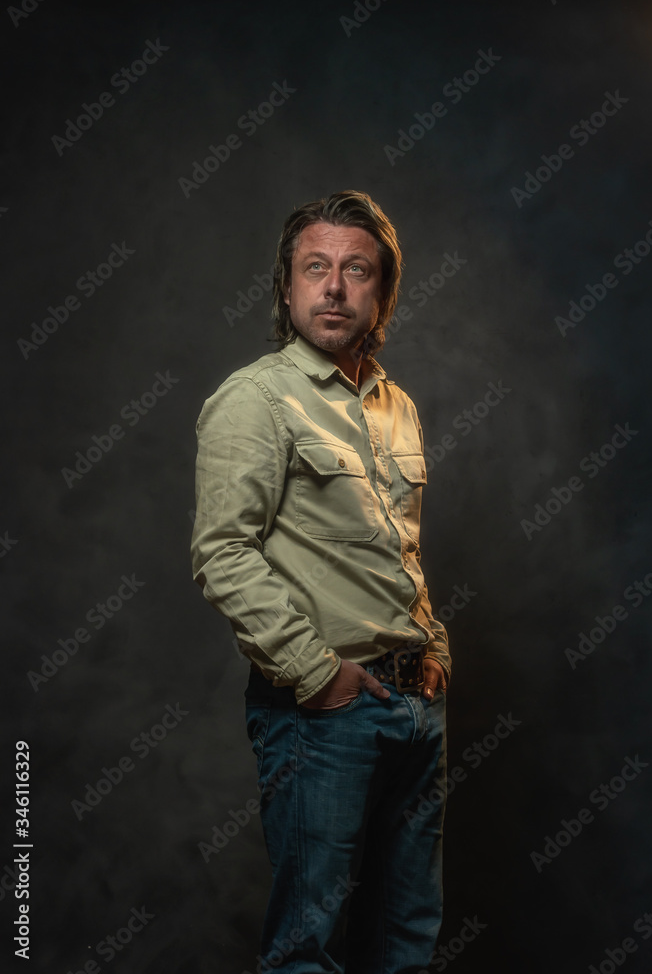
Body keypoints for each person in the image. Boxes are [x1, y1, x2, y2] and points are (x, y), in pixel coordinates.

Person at [191, 190, 452, 973]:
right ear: (287, 286)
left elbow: (397, 551)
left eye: (355, 270)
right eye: (315, 268)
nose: (333, 287)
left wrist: (434, 649)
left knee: (406, 940)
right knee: (310, 949)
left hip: (417, 708)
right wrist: (314, 674)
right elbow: (223, 554)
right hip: (321, 714)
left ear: (382, 292)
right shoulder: (255, 400)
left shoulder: (395, 405)